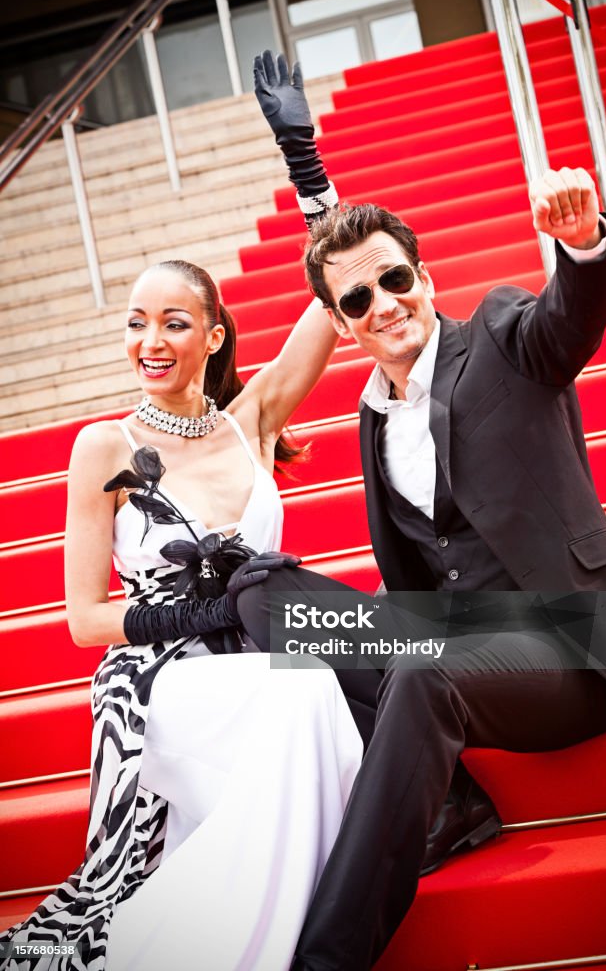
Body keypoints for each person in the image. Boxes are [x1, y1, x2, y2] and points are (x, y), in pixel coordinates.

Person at [247, 51, 606, 971]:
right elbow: (348, 258)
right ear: (342, 323)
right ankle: (454, 805)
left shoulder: (496, 334)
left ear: (424, 275)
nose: (384, 303)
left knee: (418, 673)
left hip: (567, 650)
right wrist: (304, 168)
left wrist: (583, 243)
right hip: (457, 636)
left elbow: (571, 316)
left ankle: (325, 956)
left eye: (396, 281)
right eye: (359, 301)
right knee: (269, 601)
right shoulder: (370, 410)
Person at [0, 258, 365, 971]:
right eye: (136, 324)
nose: (151, 341)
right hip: (155, 683)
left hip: (254, 659)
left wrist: (311, 179)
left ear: (215, 337)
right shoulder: (105, 446)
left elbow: (336, 294)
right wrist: (206, 615)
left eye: (173, 323)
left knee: (320, 680)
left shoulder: (249, 423)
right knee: (307, 688)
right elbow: (85, 620)